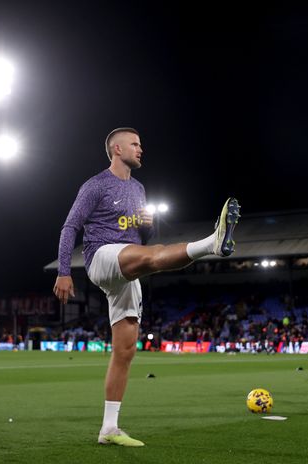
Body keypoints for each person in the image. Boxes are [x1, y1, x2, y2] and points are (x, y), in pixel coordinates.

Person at [54, 127, 240, 446]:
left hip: (128, 264)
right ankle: (212, 242)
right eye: (135, 144)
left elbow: (142, 240)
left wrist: (147, 226)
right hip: (101, 257)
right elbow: (70, 225)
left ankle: (109, 429)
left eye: (141, 144)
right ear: (116, 149)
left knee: (125, 351)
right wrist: (63, 271)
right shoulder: (95, 185)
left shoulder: (139, 188)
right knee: (154, 257)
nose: (141, 149)